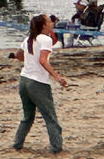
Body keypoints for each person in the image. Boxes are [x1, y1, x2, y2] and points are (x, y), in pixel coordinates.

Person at [12, 13, 67, 154]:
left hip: (24, 80)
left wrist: (30, 61)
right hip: (37, 83)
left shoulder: (28, 39)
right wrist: (57, 77)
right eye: (49, 21)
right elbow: (43, 60)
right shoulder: (45, 39)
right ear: (43, 25)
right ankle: (56, 148)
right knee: (50, 117)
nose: (52, 23)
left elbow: (18, 55)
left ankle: (17, 144)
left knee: (27, 117)